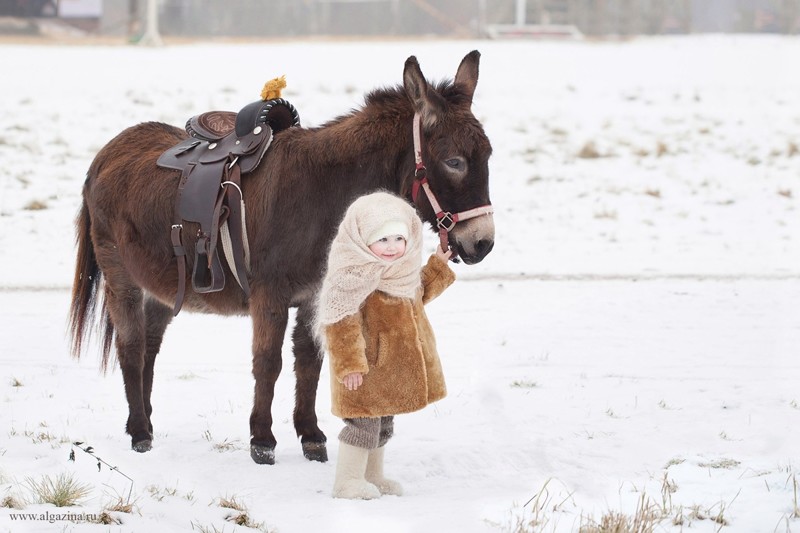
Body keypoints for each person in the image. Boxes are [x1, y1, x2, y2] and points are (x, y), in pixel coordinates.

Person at [315, 191, 455, 499]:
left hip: (389, 371)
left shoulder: (401, 273)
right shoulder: (351, 279)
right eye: (382, 239)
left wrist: (437, 266)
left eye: (398, 238)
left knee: (382, 425)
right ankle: (347, 481)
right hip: (364, 370)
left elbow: (419, 295)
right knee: (362, 425)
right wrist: (349, 364)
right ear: (362, 240)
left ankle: (372, 476)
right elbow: (340, 324)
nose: (392, 248)